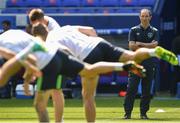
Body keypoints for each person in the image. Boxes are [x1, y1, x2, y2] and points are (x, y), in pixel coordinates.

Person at [31, 23, 178, 122]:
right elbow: (90, 30)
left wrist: (76, 65)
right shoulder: (66, 27)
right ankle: (154, 51)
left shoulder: (49, 40)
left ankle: (124, 67)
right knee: (132, 55)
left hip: (87, 55)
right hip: (100, 43)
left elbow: (66, 53)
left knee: (87, 97)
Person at [0, 29, 145, 122]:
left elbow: (17, 57)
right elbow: (30, 53)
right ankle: (124, 66)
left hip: (48, 64)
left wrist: (26, 78)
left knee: (40, 105)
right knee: (88, 70)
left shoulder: (3, 44)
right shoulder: (14, 32)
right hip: (59, 53)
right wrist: (27, 76)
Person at [123, 8, 159, 119]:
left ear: (150, 17)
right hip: (135, 63)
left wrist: (140, 44)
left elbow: (155, 45)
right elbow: (131, 46)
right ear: (139, 17)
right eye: (142, 16)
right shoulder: (133, 30)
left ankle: (143, 114)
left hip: (149, 63)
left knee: (146, 90)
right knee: (131, 89)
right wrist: (148, 45)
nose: (144, 18)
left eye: (146, 16)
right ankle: (127, 113)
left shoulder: (154, 31)